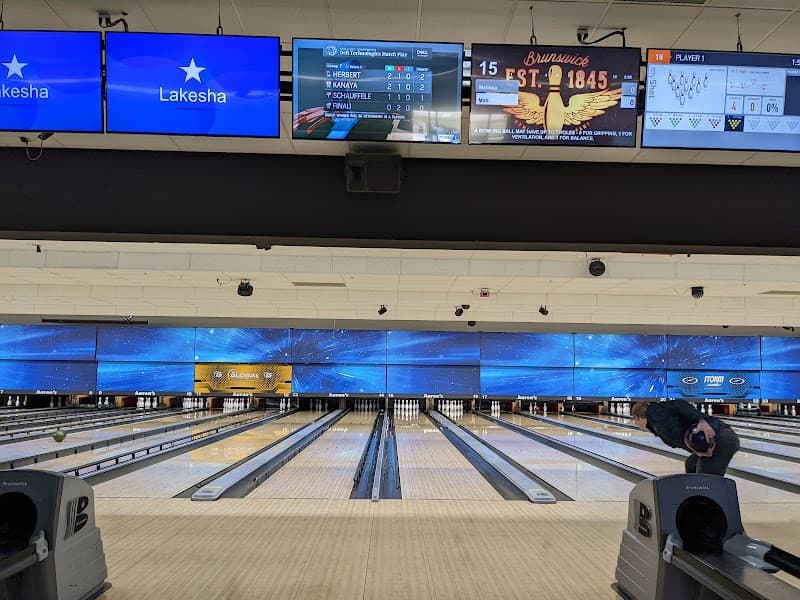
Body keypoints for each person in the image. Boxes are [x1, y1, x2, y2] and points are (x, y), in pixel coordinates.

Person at [631, 400, 740, 476]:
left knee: (704, 485)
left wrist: (700, 420)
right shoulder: (656, 421)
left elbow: (679, 404)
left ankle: (707, 506)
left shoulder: (655, 416)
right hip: (721, 437)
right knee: (691, 464)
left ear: (637, 417)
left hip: (718, 440)